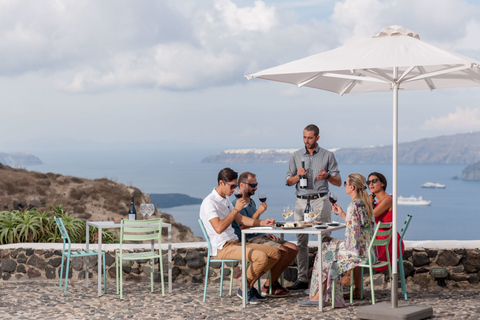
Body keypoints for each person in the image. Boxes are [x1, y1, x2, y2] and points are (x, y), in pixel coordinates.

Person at [199, 167, 281, 304]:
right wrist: (236, 209)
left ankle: (248, 286)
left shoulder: (224, 199)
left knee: (275, 253)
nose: (234, 190)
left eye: (235, 186)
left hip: (235, 242)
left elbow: (241, 219)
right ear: (221, 183)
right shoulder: (209, 203)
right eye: (232, 186)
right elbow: (219, 228)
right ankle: (244, 289)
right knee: (260, 257)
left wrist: (262, 222)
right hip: (222, 247)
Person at [298, 173, 376, 307]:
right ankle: (320, 294)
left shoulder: (354, 206)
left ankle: (318, 295)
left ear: (352, 187)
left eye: (346, 183)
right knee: (326, 245)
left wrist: (338, 245)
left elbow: (352, 235)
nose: (344, 186)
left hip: (357, 252)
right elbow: (356, 226)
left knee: (325, 251)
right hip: (368, 250)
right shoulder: (364, 204)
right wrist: (341, 214)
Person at [285, 124, 342, 291]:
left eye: (309, 137)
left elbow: (338, 181)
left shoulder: (328, 156)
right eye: (304, 137)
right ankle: (302, 279)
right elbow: (288, 181)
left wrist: (327, 176)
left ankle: (323, 278)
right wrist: (297, 176)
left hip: (320, 200)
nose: (306, 141)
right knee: (301, 241)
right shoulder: (295, 156)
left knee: (324, 240)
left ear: (317, 138)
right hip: (301, 202)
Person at [231, 171, 298, 297]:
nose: (255, 187)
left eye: (256, 184)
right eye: (252, 185)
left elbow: (255, 223)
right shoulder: (237, 203)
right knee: (282, 250)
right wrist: (259, 212)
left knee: (293, 249)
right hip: (247, 240)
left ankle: (269, 284)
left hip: (259, 236)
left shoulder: (252, 202)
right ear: (241, 185)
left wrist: (264, 232)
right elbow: (243, 227)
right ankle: (262, 285)